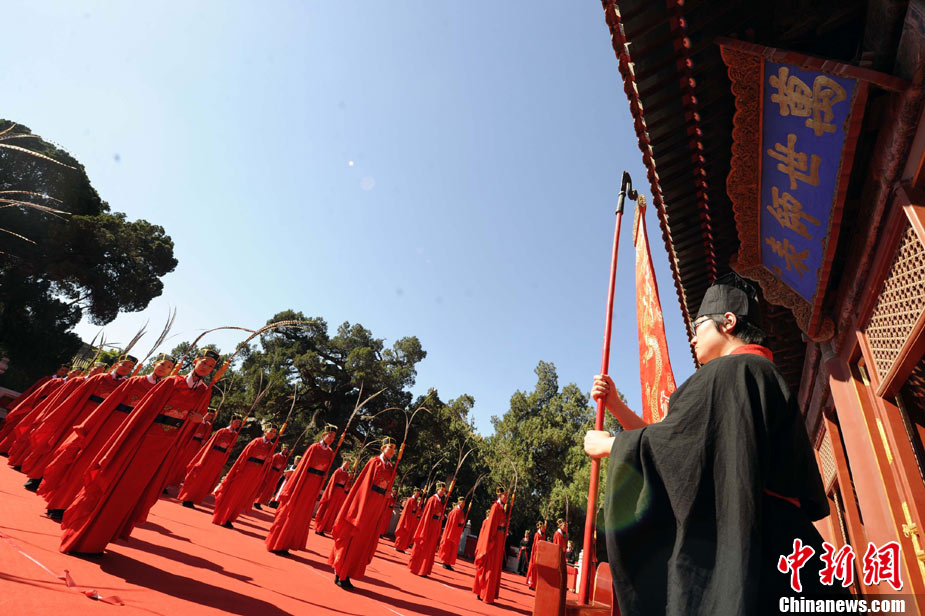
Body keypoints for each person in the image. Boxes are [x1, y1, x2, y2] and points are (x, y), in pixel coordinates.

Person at [583, 275, 842, 615]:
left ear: (728, 321)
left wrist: (611, 446)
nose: (693, 337)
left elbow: (677, 446)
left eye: (699, 325)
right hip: (786, 544)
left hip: (752, 544)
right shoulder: (760, 372)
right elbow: (677, 440)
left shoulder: (730, 372)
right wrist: (616, 406)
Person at [60, 350, 217, 554]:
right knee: (113, 482)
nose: (206, 367)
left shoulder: (204, 391)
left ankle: (103, 537)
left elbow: (192, 423)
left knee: (131, 491)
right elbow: (146, 411)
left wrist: (197, 420)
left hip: (164, 447)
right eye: (204, 362)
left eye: (211, 366)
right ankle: (84, 537)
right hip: (142, 439)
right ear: (195, 361)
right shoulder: (171, 382)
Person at [39, 355, 175, 520]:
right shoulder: (134, 382)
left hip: (129, 433)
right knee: (83, 465)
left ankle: (79, 511)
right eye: (162, 364)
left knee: (103, 473)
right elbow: (110, 403)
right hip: (108, 427)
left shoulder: (165, 391)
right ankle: (59, 504)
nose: (164, 368)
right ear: (154, 364)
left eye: (169, 367)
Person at [21, 355, 137, 490]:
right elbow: (78, 396)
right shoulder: (98, 378)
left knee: (76, 455)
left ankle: (54, 485)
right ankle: (36, 478)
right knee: (59, 446)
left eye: (130, 367)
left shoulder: (126, 385)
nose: (126, 368)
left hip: (97, 423)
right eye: (124, 364)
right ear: (116, 364)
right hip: (79, 418)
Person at [329, 437, 397, 590]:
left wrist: (387, 494)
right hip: (366, 505)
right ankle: (340, 572)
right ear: (383, 448)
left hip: (376, 507)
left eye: (394, 449)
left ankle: (347, 572)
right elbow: (364, 486)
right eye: (390, 448)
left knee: (362, 542)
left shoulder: (390, 468)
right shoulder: (374, 463)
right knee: (352, 538)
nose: (392, 451)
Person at [265, 424, 337, 553]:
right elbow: (303, 467)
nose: (331, 439)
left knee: (301, 516)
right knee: (291, 512)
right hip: (304, 483)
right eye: (329, 436)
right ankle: (278, 542)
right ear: (323, 435)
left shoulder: (330, 453)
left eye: (333, 437)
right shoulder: (314, 448)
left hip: (313, 486)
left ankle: (288, 543)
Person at [212, 424, 279, 529]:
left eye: (274, 432)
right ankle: (223, 517)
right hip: (246, 471)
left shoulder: (271, 447)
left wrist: (268, 461)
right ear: (265, 431)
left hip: (255, 474)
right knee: (234, 495)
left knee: (242, 497)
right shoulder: (256, 441)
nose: (272, 434)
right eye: (270, 431)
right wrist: (239, 470)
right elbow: (245, 456)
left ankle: (230, 518)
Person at [178, 414, 242, 507]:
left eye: (239, 423)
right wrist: (204, 458)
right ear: (231, 422)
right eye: (236, 422)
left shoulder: (234, 435)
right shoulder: (222, 431)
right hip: (211, 456)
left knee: (207, 479)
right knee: (199, 476)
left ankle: (195, 498)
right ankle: (187, 498)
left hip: (219, 458)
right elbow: (210, 444)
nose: (237, 424)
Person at [472, 486, 508, 604]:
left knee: (494, 567)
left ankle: (488, 593)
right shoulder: (495, 507)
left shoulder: (502, 509)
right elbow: (491, 525)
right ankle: (483, 592)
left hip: (499, 540)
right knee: (489, 567)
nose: (506, 498)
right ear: (500, 495)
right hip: (494, 540)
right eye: (505, 495)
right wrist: (490, 541)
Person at [166, 407, 216, 489]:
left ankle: (175, 482)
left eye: (211, 415)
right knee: (178, 460)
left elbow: (206, 436)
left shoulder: (208, 425)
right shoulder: (196, 420)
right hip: (188, 442)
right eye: (209, 414)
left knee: (186, 463)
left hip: (196, 445)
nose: (210, 416)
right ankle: (168, 480)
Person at [408, 481, 447, 576]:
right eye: (441, 490)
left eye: (444, 490)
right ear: (437, 490)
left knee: (429, 550)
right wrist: (425, 529)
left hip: (434, 527)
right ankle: (418, 569)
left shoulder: (440, 501)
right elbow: (427, 515)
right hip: (429, 527)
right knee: (424, 548)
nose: (443, 492)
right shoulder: (432, 500)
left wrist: (441, 517)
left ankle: (424, 569)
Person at [315, 458, 352, 536]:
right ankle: (319, 528)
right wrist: (330, 493)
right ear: (343, 463)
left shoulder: (346, 474)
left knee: (332, 512)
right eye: (346, 463)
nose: (347, 465)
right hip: (334, 492)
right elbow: (332, 482)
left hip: (339, 494)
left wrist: (349, 480)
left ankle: (324, 528)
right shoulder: (337, 471)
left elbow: (346, 486)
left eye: (349, 464)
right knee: (327, 511)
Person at [254, 443, 290, 510]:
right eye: (284, 449)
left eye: (286, 449)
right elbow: (270, 465)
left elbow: (283, 466)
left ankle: (263, 501)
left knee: (270, 489)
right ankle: (257, 501)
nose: (285, 450)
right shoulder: (276, 456)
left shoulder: (285, 458)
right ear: (281, 448)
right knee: (265, 487)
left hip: (277, 474)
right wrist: (268, 474)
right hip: (272, 472)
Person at [437, 496, 467, 570]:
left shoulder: (461, 511)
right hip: (452, 532)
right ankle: (445, 562)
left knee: (452, 549)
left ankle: (448, 563)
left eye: (464, 503)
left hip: (456, 532)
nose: (463, 504)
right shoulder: (456, 511)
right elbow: (452, 523)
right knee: (448, 548)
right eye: (462, 503)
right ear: (459, 502)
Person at [393, 487, 422, 552]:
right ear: (414, 493)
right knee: (403, 533)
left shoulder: (415, 501)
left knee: (407, 534)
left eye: (419, 494)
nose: (418, 495)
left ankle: (402, 547)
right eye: (417, 493)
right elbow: (407, 511)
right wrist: (407, 521)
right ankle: (398, 546)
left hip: (412, 518)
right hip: (407, 518)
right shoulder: (410, 500)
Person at [525, 520, 546, 590]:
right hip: (536, 553)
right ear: (540, 528)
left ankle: (535, 584)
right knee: (533, 568)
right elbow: (537, 544)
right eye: (543, 527)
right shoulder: (537, 534)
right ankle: (531, 584)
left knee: (537, 570)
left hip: (540, 553)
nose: (544, 528)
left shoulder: (543, 535)